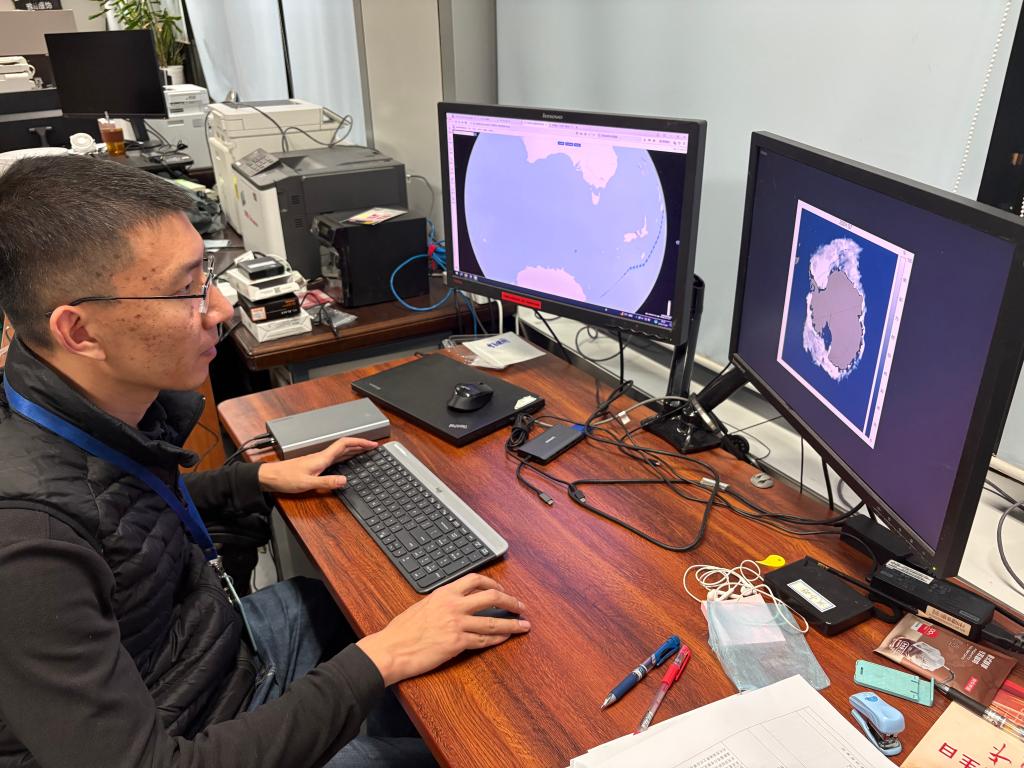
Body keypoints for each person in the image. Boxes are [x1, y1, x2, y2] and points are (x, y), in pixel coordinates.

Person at [0, 154, 530, 768]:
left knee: (343, 606)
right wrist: (382, 658)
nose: (221, 309)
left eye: (207, 275)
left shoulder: (82, 405)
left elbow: (115, 513)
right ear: (80, 332)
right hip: (190, 732)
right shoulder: (27, 547)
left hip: (204, 660)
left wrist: (257, 478)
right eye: (186, 290)